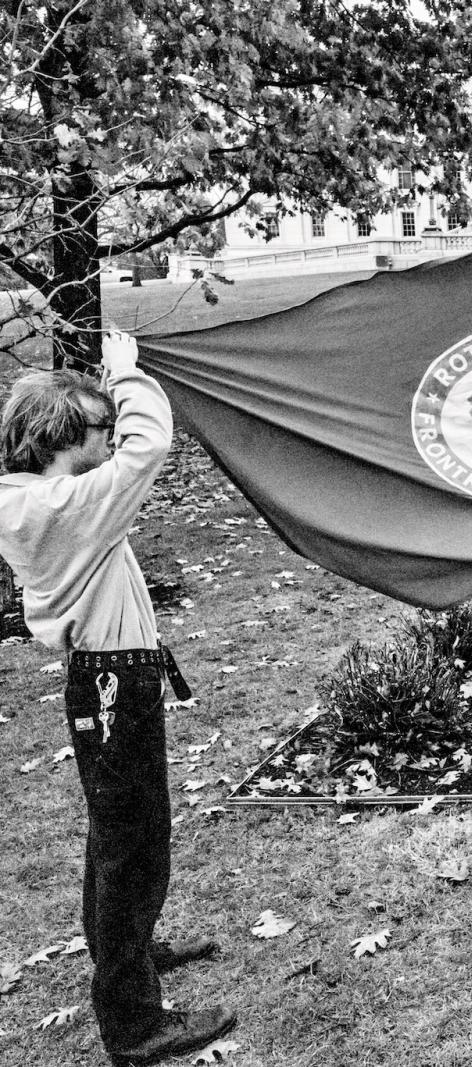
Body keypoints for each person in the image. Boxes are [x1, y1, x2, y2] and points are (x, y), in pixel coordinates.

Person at [0, 332, 235, 1067]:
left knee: (121, 833)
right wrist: (130, 375)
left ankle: (127, 951)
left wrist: (110, 388)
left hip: (109, 679)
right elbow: (150, 446)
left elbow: (127, 451)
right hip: (111, 684)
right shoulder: (65, 503)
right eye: (102, 429)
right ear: (65, 437)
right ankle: (134, 1023)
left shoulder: (39, 495)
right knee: (132, 842)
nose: (114, 440)